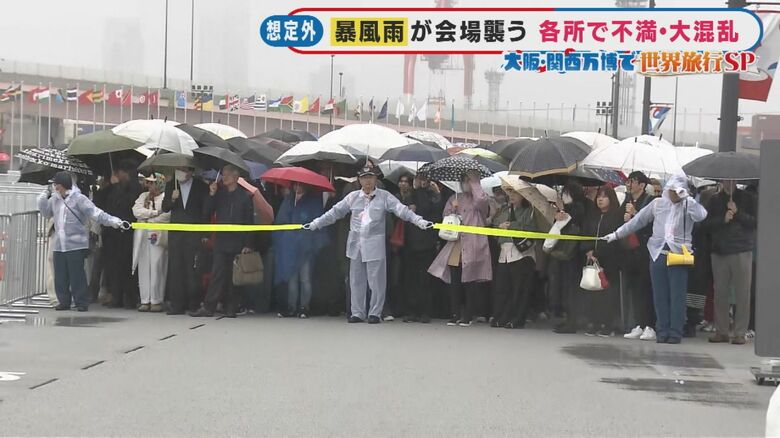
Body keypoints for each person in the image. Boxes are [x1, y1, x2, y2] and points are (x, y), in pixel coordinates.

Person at [304, 163, 432, 324]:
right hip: (356, 244)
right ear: (359, 180)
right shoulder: (352, 197)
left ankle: (375, 312)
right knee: (356, 280)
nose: (368, 181)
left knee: (376, 281)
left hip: (374, 243)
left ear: (376, 179)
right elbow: (334, 212)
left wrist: (419, 221)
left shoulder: (384, 196)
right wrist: (316, 223)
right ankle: (357, 312)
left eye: (370, 177)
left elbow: (402, 210)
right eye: (364, 178)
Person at [605, 175, 708, 344]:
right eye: (671, 191)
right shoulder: (657, 204)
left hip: (679, 254)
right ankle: (662, 331)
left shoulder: (688, 205)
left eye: (677, 191)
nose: (674, 194)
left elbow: (701, 215)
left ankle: (675, 332)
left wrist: (687, 199)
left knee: (677, 296)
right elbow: (637, 221)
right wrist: (616, 234)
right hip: (657, 253)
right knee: (659, 295)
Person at [37, 171, 125, 311]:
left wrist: (114, 221)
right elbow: (46, 213)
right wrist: (42, 198)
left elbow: (95, 213)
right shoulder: (55, 199)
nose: (55, 188)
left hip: (76, 244)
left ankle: (81, 301)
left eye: (56, 185)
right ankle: (63, 301)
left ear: (62, 185)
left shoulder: (79, 199)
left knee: (76, 274)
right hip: (59, 244)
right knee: (60, 275)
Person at [190, 165, 255, 318]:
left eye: (227, 175)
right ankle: (209, 306)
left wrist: (249, 244)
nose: (224, 177)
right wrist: (211, 194)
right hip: (221, 240)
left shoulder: (244, 197)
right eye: (223, 174)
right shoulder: (220, 194)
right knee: (217, 274)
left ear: (235, 176)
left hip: (237, 240)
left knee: (234, 276)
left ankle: (231, 307)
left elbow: (249, 221)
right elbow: (207, 211)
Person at [428, 171, 492, 327]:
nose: (466, 183)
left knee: (470, 281)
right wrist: (453, 210)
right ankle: (455, 313)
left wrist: (474, 182)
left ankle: (468, 315)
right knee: (455, 280)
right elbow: (446, 216)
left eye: (469, 181)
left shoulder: (480, 198)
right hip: (456, 243)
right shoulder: (454, 197)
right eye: (464, 180)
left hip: (473, 243)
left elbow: (482, 202)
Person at [705, 180, 757, 345]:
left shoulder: (748, 198)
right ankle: (722, 331)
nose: (729, 182)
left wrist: (737, 213)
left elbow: (754, 222)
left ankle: (740, 332)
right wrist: (723, 219)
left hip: (741, 249)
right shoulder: (714, 200)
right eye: (726, 180)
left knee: (743, 293)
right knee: (720, 293)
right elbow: (707, 225)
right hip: (720, 250)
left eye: (732, 179)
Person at [490, 177, 542, 329]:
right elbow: (495, 225)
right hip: (504, 252)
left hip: (521, 253)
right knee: (502, 288)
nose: (512, 195)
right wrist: (499, 226)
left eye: (515, 193)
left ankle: (517, 319)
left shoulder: (529, 212)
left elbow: (531, 229)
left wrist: (511, 225)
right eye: (510, 192)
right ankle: (501, 316)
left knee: (519, 289)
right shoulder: (505, 210)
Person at [272, 182, 327, 318]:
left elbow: (318, 221)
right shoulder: (288, 201)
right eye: (295, 185)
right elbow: (280, 221)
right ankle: (291, 306)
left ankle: (304, 307)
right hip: (290, 246)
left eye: (300, 185)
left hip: (306, 246)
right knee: (292, 278)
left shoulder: (313, 202)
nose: (297, 187)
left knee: (305, 278)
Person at [161, 167, 209, 315]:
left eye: (183, 169)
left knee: (192, 268)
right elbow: (165, 207)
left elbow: (205, 210)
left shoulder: (201, 186)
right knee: (176, 268)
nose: (180, 172)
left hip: (194, 233)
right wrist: (172, 199)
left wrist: (205, 233)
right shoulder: (171, 185)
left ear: (190, 171)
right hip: (176, 234)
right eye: (178, 169)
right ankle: (177, 304)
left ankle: (193, 303)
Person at [580, 185, 625, 337]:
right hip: (592, 261)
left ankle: (608, 324)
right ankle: (594, 322)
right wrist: (588, 250)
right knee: (593, 292)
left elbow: (616, 240)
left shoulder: (616, 217)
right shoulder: (592, 216)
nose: (600, 199)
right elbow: (585, 235)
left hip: (609, 261)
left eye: (604, 196)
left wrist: (598, 253)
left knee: (608, 293)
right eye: (599, 196)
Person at [620, 171, 657, 341]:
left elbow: (651, 224)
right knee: (634, 288)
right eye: (628, 181)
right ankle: (638, 324)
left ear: (641, 185)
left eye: (633, 181)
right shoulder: (627, 200)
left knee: (645, 289)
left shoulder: (649, 201)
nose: (629, 184)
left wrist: (635, 214)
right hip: (630, 251)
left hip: (644, 250)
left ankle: (650, 325)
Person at [401, 173, 442, 323]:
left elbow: (436, 214)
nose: (421, 182)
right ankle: (411, 310)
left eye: (424, 179)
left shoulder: (432, 195)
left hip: (427, 242)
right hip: (411, 242)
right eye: (418, 179)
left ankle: (425, 311)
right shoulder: (410, 196)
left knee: (425, 279)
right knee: (410, 278)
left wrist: (436, 193)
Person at [102, 160, 142, 309]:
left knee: (128, 266)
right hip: (113, 233)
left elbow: (128, 204)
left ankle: (130, 297)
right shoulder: (115, 188)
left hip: (128, 232)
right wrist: (111, 186)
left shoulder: (135, 188)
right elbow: (103, 203)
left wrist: (116, 187)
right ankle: (116, 295)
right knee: (114, 267)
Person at [132, 174, 170, 312]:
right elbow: (136, 211)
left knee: (157, 266)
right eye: (147, 182)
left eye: (152, 182)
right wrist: (154, 212)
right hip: (142, 235)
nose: (149, 185)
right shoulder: (143, 196)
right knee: (143, 266)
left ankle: (156, 300)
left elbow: (166, 215)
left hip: (157, 236)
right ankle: (145, 300)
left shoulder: (165, 197)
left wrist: (149, 219)